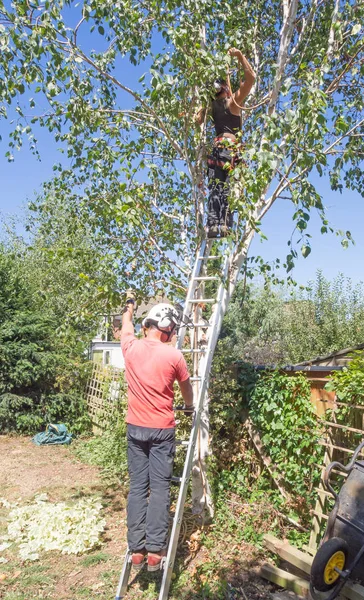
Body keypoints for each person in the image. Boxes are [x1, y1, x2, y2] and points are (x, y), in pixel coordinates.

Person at [121, 300, 194, 571]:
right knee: (160, 488)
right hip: (162, 431)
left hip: (135, 429)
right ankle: (154, 551)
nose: (173, 335)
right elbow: (187, 389)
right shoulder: (173, 356)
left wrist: (129, 307)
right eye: (173, 331)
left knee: (138, 487)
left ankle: (136, 549)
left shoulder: (130, 347)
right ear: (166, 329)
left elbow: (126, 324)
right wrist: (189, 407)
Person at [196, 48, 256, 238]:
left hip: (215, 155)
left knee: (216, 192)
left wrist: (202, 102)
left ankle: (215, 227)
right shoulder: (232, 103)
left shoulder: (212, 107)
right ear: (225, 88)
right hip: (229, 154)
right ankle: (226, 227)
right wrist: (239, 56)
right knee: (230, 193)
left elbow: (198, 120)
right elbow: (251, 78)